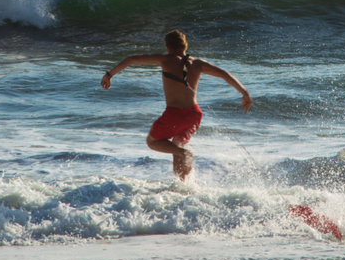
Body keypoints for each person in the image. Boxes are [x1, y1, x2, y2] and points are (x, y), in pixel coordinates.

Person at [101, 30, 252, 180]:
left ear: (169, 47)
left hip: (175, 114)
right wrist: (244, 92)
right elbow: (224, 73)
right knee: (176, 147)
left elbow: (131, 59)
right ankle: (180, 186)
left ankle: (184, 155)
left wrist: (109, 75)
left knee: (153, 142)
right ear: (184, 46)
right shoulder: (197, 64)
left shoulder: (165, 59)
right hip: (194, 114)